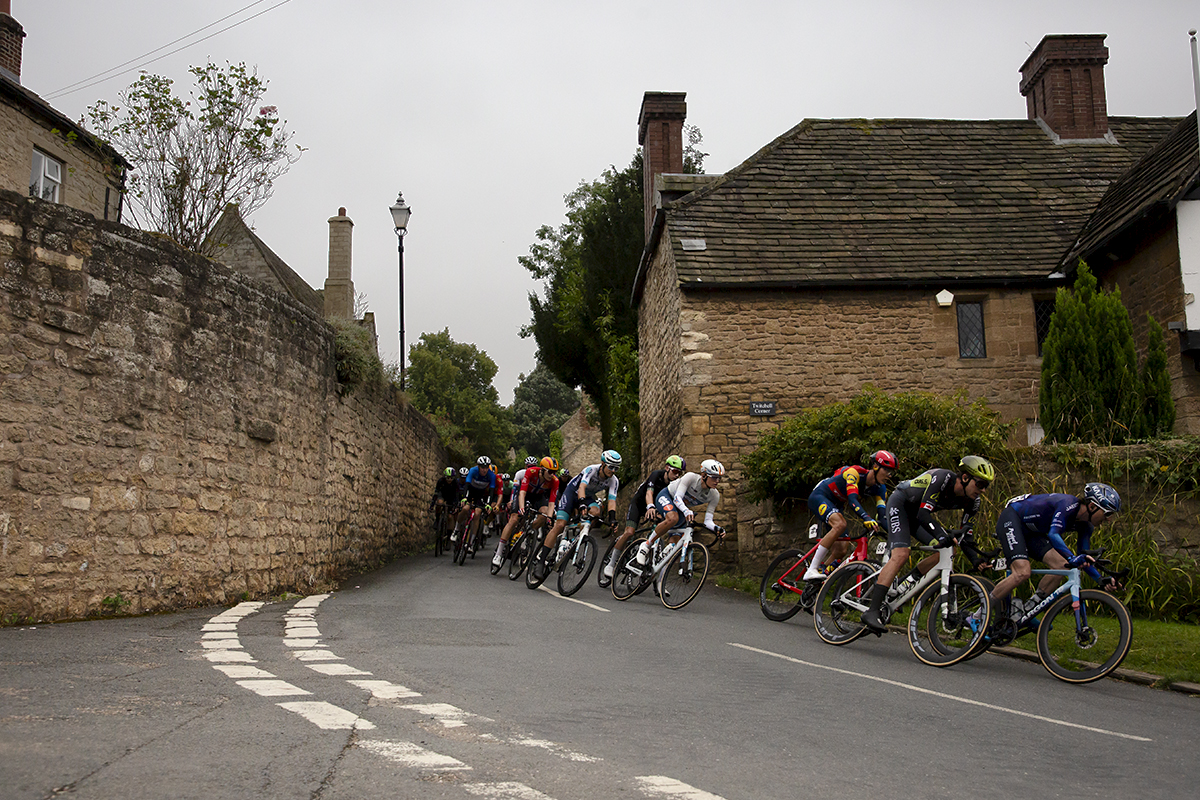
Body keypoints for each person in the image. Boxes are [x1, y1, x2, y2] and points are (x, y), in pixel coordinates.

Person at [861, 455, 995, 633]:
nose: (983, 490)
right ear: (965, 478)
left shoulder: (973, 502)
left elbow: (966, 535)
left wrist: (976, 560)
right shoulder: (942, 479)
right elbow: (925, 514)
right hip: (900, 504)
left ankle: (901, 586)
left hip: (916, 515)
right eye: (980, 484)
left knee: (947, 551)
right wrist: (941, 535)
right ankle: (872, 611)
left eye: (986, 486)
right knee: (901, 553)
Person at [987, 483, 1123, 621]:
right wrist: (1072, 558)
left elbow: (1083, 556)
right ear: (1093, 506)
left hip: (1032, 532)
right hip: (1012, 518)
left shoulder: (1086, 527)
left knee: (1062, 566)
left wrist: (1100, 579)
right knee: (1022, 572)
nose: (1109, 519)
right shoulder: (1068, 504)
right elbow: (1053, 535)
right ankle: (981, 614)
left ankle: (1026, 611)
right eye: (1107, 513)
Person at [803, 451, 897, 581]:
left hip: (837, 504)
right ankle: (811, 569)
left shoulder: (880, 489)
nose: (889, 475)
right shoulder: (855, 473)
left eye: (891, 472)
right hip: (821, 496)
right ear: (875, 466)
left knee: (841, 550)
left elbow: (882, 516)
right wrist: (866, 518)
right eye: (886, 470)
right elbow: (852, 500)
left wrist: (895, 535)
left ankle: (821, 572)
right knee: (840, 524)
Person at [532, 450, 621, 579]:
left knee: (596, 512)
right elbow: (582, 488)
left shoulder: (614, 481)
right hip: (572, 492)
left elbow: (612, 501)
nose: (612, 471)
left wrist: (613, 518)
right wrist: (582, 503)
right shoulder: (591, 470)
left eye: (616, 468)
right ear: (603, 463)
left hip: (588, 497)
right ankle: (541, 561)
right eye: (611, 467)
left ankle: (578, 538)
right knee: (560, 524)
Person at [604, 455, 686, 579]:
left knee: (658, 531)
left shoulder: (675, 486)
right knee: (630, 532)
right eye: (675, 471)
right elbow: (649, 493)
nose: (676, 475)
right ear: (667, 468)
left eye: (679, 473)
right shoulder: (656, 475)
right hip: (640, 504)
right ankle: (611, 563)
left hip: (656, 507)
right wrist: (650, 507)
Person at [636, 458, 728, 566]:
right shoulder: (691, 478)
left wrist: (716, 528)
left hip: (681, 508)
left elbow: (708, 521)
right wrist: (686, 511)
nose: (717, 481)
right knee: (673, 518)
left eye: (719, 478)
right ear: (704, 475)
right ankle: (646, 546)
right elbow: (677, 498)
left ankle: (658, 572)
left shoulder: (715, 495)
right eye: (714, 477)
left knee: (675, 541)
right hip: (668, 496)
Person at [493, 457, 561, 567]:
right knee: (514, 519)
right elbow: (522, 493)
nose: (552, 474)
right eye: (550, 471)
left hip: (539, 497)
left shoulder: (555, 481)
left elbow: (551, 503)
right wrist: (521, 508)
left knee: (543, 515)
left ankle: (529, 532)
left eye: (555, 472)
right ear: (542, 470)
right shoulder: (531, 472)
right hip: (526, 495)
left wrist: (549, 518)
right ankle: (499, 553)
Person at [453, 456, 497, 552]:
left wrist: (489, 504)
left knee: (477, 514)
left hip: (480, 495)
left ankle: (471, 543)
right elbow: (467, 486)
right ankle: (456, 530)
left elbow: (491, 491)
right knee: (465, 509)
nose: (484, 470)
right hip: (470, 492)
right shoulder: (472, 471)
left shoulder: (491, 475)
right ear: (478, 466)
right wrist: (465, 498)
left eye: (486, 467)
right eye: (482, 467)